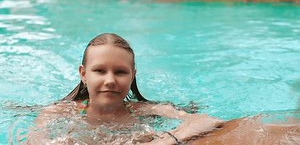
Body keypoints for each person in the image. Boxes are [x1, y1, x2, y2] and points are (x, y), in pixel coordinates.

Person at [26, 33, 223, 145]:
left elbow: (207, 120)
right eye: (100, 71)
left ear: (132, 75)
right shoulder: (58, 113)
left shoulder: (146, 111)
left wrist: (164, 141)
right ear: (84, 74)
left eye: (120, 72)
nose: (110, 80)